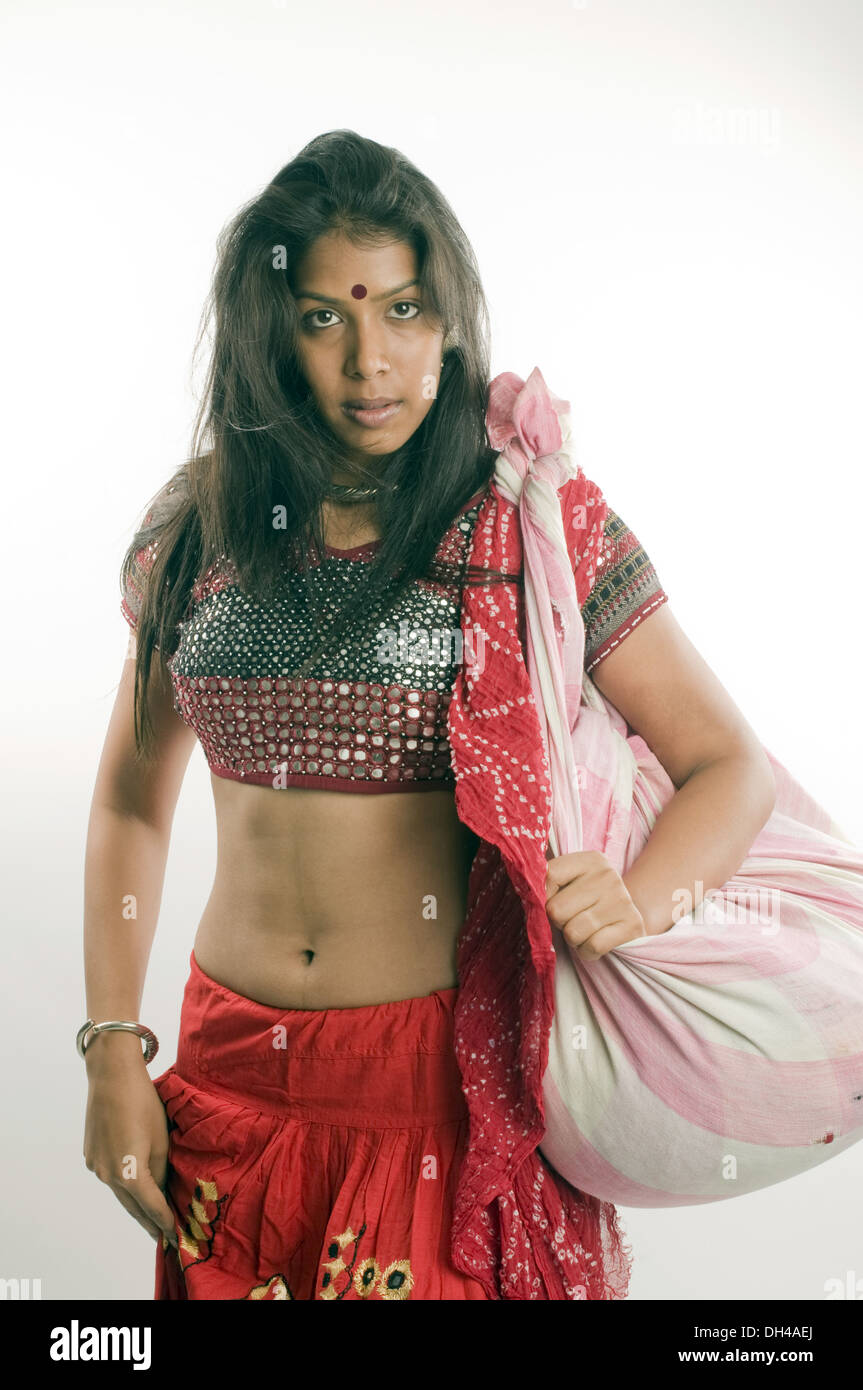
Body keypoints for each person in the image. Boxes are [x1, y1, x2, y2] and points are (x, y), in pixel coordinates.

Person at [81, 130, 777, 1301]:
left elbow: (728, 764)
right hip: (223, 1079)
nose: (372, 361)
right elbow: (126, 800)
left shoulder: (527, 528)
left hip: (434, 1094)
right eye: (323, 318)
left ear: (449, 320)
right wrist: (110, 1048)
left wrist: (641, 895)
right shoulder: (193, 530)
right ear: (269, 333)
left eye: (404, 310)